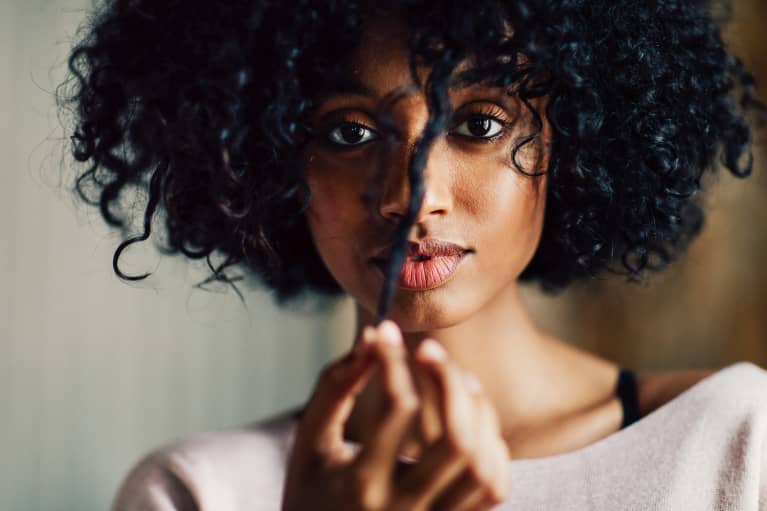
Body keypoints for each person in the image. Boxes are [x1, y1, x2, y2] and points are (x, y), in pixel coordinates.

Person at [58, 1, 767, 509]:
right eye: (349, 133)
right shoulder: (195, 491)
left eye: (478, 123)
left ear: (573, 141)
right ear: (266, 164)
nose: (411, 194)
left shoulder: (732, 443)